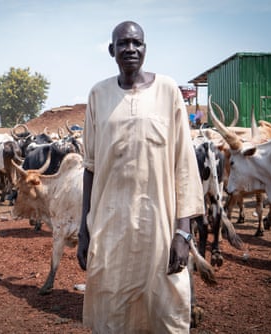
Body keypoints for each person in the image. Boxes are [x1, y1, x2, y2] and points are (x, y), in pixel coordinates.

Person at [76, 21, 205, 333]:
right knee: (111, 308)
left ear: (146, 49)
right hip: (110, 227)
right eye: (122, 43)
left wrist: (183, 233)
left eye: (137, 43)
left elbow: (184, 165)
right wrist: (84, 228)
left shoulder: (168, 91)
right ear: (112, 51)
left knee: (166, 306)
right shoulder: (98, 94)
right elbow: (90, 166)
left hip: (158, 227)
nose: (130, 49)